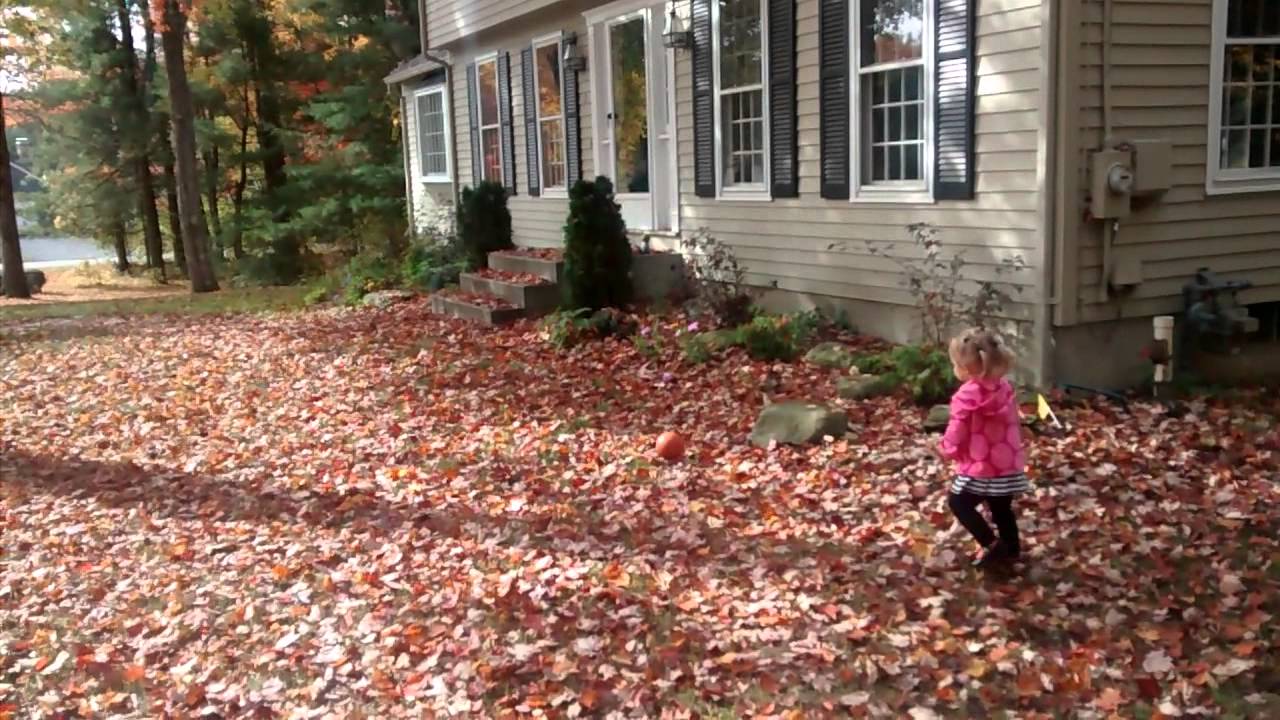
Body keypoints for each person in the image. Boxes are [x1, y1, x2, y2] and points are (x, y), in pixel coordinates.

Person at [939, 328, 1030, 568]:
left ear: (966, 368)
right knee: (1002, 508)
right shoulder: (1004, 388)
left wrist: (947, 449)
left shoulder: (967, 395)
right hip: (1007, 463)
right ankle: (1012, 549)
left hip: (981, 465)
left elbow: (957, 429)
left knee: (959, 503)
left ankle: (992, 544)